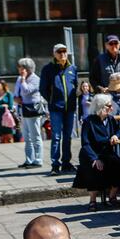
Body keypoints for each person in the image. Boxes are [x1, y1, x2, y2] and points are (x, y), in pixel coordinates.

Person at [73, 94, 120, 212]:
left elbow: (119, 131)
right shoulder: (89, 121)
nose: (111, 109)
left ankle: (112, 196)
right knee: (94, 168)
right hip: (92, 154)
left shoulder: (110, 119)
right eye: (109, 106)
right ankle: (92, 200)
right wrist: (95, 158)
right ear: (100, 107)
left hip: (107, 152)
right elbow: (85, 143)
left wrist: (116, 135)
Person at [41, 43, 79, 176]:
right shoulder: (48, 69)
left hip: (70, 108)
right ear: (54, 54)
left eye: (64, 51)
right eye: (59, 52)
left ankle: (66, 163)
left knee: (68, 137)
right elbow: (43, 89)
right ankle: (55, 165)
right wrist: (52, 100)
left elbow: (75, 86)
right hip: (56, 108)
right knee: (56, 137)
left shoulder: (72, 68)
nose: (62, 54)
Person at [15, 59, 43, 168]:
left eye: (20, 67)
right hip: (23, 110)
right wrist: (16, 98)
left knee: (35, 135)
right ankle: (29, 159)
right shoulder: (19, 79)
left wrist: (23, 79)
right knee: (27, 137)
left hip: (33, 110)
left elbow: (26, 91)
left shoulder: (36, 79)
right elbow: (16, 93)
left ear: (26, 69)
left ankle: (38, 159)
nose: (18, 69)